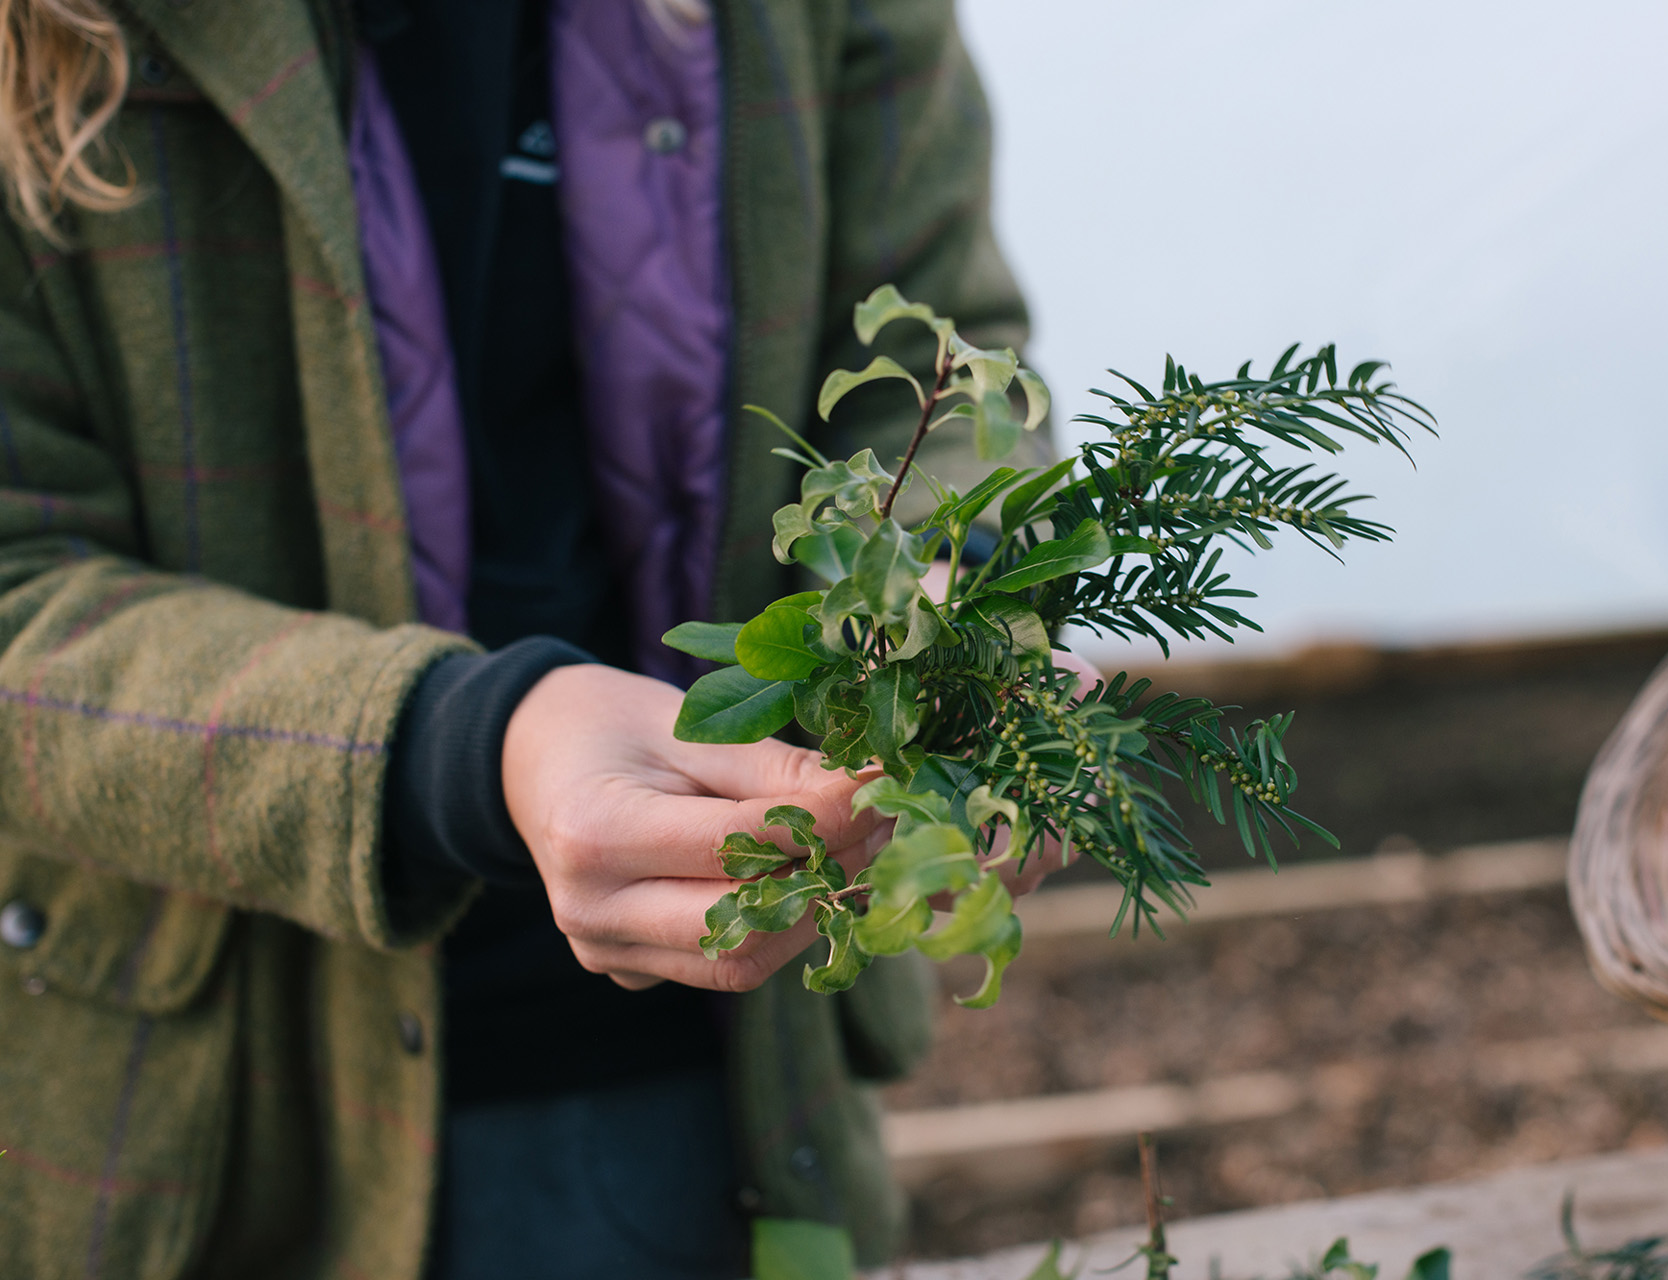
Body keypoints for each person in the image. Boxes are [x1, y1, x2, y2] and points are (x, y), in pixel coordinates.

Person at [0, 0, 1057, 1275]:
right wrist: (465, 743)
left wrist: (952, 595)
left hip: (710, 1058)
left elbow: (941, 355)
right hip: (212, 1116)